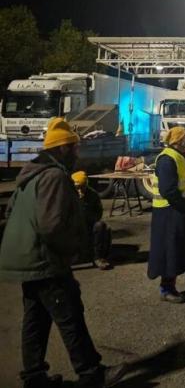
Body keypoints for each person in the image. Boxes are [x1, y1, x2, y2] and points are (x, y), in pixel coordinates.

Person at [0, 117, 125, 388]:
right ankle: (91, 373)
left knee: (36, 318)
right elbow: (52, 225)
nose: (78, 154)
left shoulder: (30, 173)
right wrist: (70, 253)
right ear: (64, 149)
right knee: (70, 315)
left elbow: (10, 212)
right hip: (45, 259)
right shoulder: (55, 176)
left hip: (24, 257)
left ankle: (34, 376)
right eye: (75, 148)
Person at [147, 126, 185, 303]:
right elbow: (168, 190)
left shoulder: (180, 156)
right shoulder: (167, 159)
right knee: (170, 251)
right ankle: (167, 288)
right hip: (170, 212)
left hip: (181, 211)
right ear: (179, 140)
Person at [72, 171, 113, 270]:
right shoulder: (67, 194)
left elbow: (98, 213)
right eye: (77, 187)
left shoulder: (92, 195)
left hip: (88, 224)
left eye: (82, 186)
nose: (80, 190)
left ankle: (98, 257)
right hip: (72, 225)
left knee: (100, 226)